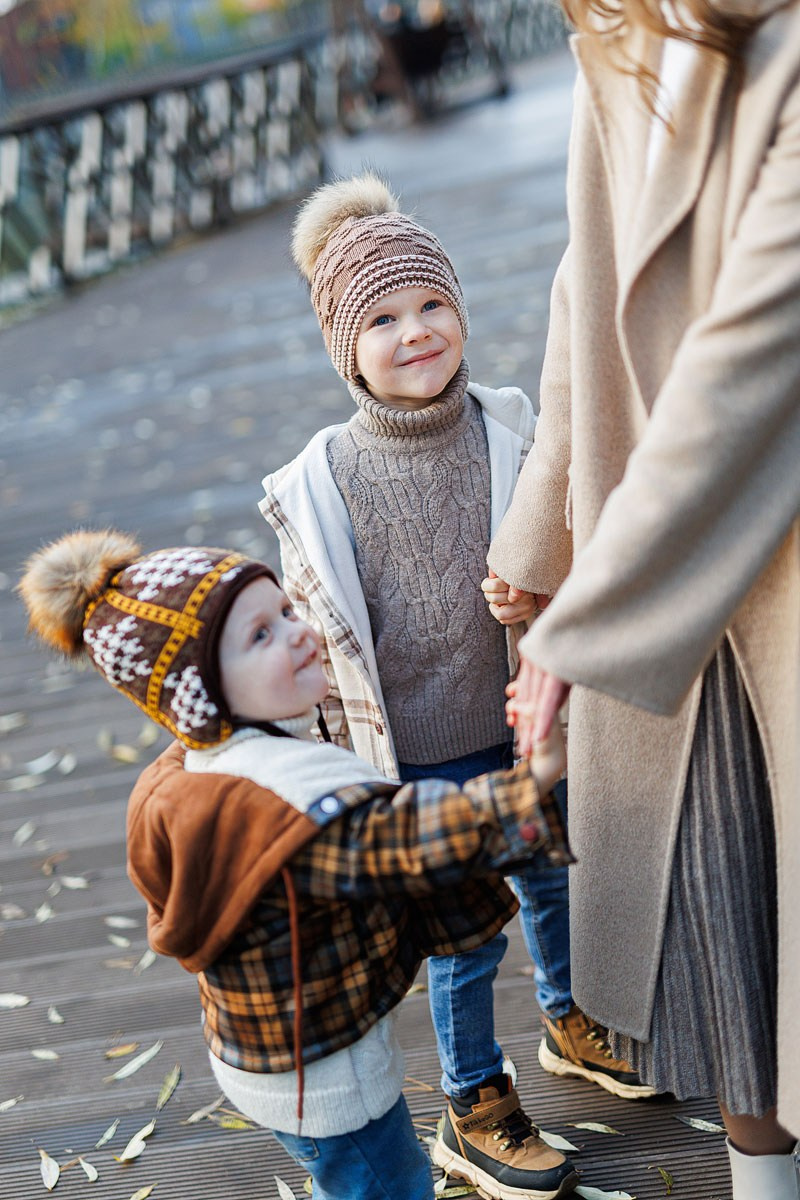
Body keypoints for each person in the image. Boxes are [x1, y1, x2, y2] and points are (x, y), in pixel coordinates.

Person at [258, 172, 652, 1197]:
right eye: (382, 319)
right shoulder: (322, 480)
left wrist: (537, 587)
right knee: (464, 935)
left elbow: (570, 535)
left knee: (553, 881)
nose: (416, 332)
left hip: (518, 725)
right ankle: (472, 1102)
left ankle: (570, 1017)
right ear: (345, 349)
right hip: (415, 762)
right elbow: (319, 640)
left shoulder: (511, 427)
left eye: (432, 304)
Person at [486, 0, 800, 1196]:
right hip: (655, 554)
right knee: (721, 932)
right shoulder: (615, 38)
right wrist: (539, 544)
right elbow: (587, 300)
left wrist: (587, 616)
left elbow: (748, 363)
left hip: (740, 540)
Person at [17, 529, 577, 1200]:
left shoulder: (195, 766)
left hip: (273, 1051)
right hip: (323, 1077)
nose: (299, 631)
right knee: (386, 1183)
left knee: (346, 1178)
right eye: (261, 635)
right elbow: (409, 835)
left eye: (285, 610)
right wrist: (537, 773)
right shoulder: (280, 813)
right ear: (202, 693)